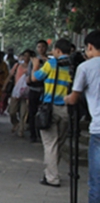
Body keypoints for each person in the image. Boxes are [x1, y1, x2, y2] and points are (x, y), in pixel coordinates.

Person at [64, 30, 100, 203]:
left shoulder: (85, 67)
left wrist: (67, 98)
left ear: (89, 47)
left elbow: (75, 97)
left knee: (97, 181)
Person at [32, 38, 73, 187]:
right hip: (67, 110)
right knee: (59, 143)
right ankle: (51, 172)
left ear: (58, 50)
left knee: (50, 144)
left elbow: (34, 78)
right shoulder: (74, 66)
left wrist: (35, 66)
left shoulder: (51, 63)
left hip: (50, 108)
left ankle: (52, 177)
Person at [8, 49, 34, 138]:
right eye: (25, 55)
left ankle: (21, 130)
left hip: (26, 92)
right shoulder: (17, 65)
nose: (26, 57)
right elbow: (10, 75)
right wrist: (4, 86)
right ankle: (15, 123)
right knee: (12, 111)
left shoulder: (33, 66)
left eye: (28, 56)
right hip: (16, 91)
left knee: (23, 112)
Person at [28, 40, 50, 142]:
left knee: (44, 112)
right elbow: (29, 76)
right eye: (39, 47)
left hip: (45, 90)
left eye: (43, 47)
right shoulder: (33, 61)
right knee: (32, 112)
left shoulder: (49, 62)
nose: (41, 49)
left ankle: (41, 132)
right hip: (34, 89)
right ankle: (33, 134)